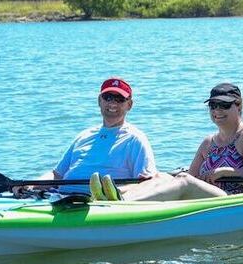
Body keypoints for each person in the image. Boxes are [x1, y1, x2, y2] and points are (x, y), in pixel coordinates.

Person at [120, 82, 243, 201]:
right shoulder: (208, 142)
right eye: (213, 105)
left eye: (224, 105)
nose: (217, 110)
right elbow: (193, 175)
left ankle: (128, 204)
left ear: (238, 106)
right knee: (162, 176)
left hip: (234, 200)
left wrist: (226, 172)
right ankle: (119, 196)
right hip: (209, 198)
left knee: (185, 180)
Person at [13, 77, 158, 199]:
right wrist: (30, 184)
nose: (112, 103)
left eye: (119, 99)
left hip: (104, 201)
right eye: (108, 97)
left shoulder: (135, 139)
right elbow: (56, 175)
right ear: (99, 101)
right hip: (62, 198)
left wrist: (123, 194)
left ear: (129, 105)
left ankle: (109, 195)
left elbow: (147, 182)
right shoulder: (84, 136)